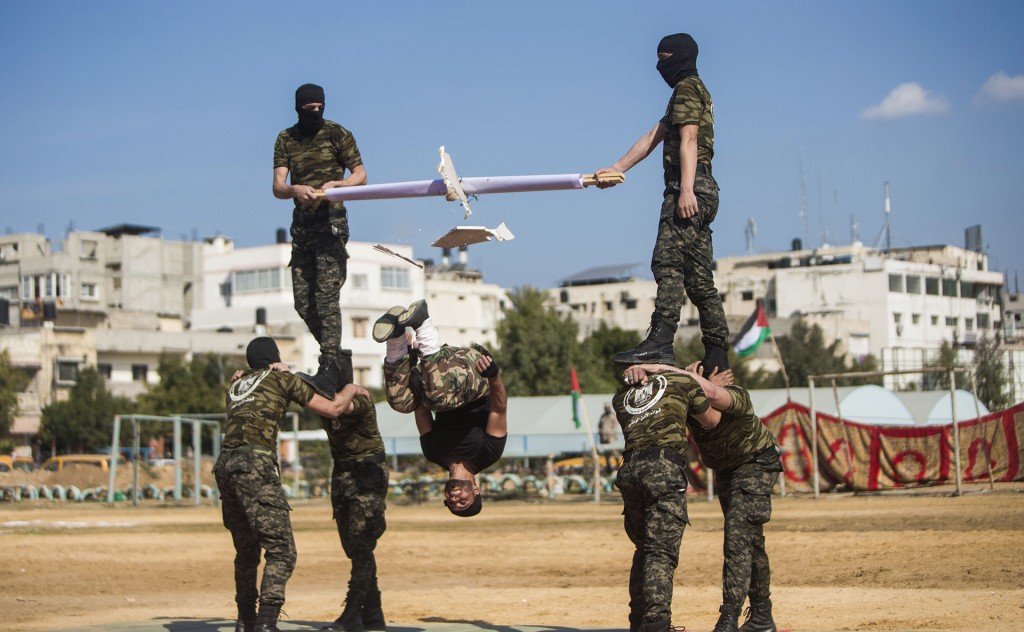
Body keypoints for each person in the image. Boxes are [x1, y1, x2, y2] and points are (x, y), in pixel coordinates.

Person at [596, 33, 729, 375]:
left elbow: (688, 138)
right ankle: (717, 353)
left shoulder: (686, 89)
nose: (660, 65)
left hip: (689, 185)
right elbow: (652, 138)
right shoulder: (691, 92)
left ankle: (660, 340)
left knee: (667, 262)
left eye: (665, 57)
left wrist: (684, 190)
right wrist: (616, 169)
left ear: (681, 57)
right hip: (705, 188)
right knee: (699, 279)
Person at [215, 336, 368, 632]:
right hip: (254, 464)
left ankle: (245, 620)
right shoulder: (282, 380)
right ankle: (266, 623)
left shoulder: (235, 387)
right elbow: (333, 409)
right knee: (282, 550)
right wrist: (350, 388)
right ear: (275, 356)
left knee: (246, 551)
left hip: (225, 466)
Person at [629, 362, 782, 632]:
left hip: (756, 463)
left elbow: (712, 397)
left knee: (737, 541)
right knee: (750, 542)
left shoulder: (737, 395)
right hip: (726, 470)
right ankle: (761, 615)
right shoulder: (693, 401)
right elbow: (699, 403)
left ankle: (729, 619)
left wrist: (662, 369)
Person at [273, 82, 367, 398]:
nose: (315, 112)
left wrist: (339, 186)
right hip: (301, 228)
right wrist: (294, 190)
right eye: (309, 108)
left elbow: (361, 175)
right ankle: (338, 358)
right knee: (304, 301)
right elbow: (277, 186)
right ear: (298, 108)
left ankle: (328, 368)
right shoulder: (286, 139)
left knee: (327, 299)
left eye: (319, 108)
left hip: (331, 226)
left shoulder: (337, 134)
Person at [374, 299, 508, 517]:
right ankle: (422, 323)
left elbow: (420, 408)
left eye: (451, 504)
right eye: (463, 503)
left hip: (439, 379)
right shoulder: (488, 455)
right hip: (473, 373)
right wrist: (494, 376)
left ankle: (396, 338)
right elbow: (498, 409)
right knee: (440, 400)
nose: (455, 500)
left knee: (401, 403)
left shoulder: (434, 454)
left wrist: (410, 362)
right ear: (476, 490)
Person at [613, 360, 705, 632]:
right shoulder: (681, 382)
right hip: (663, 469)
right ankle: (657, 624)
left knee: (644, 549)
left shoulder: (621, 396)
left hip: (630, 470)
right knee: (660, 553)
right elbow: (710, 420)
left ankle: (639, 622)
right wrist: (693, 379)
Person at [319, 353, 389, 632]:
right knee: (352, 547)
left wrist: (349, 389)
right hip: (342, 473)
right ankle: (373, 615)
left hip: (367, 474)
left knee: (361, 545)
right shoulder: (325, 399)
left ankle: (352, 615)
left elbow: (337, 407)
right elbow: (298, 393)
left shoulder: (359, 400)